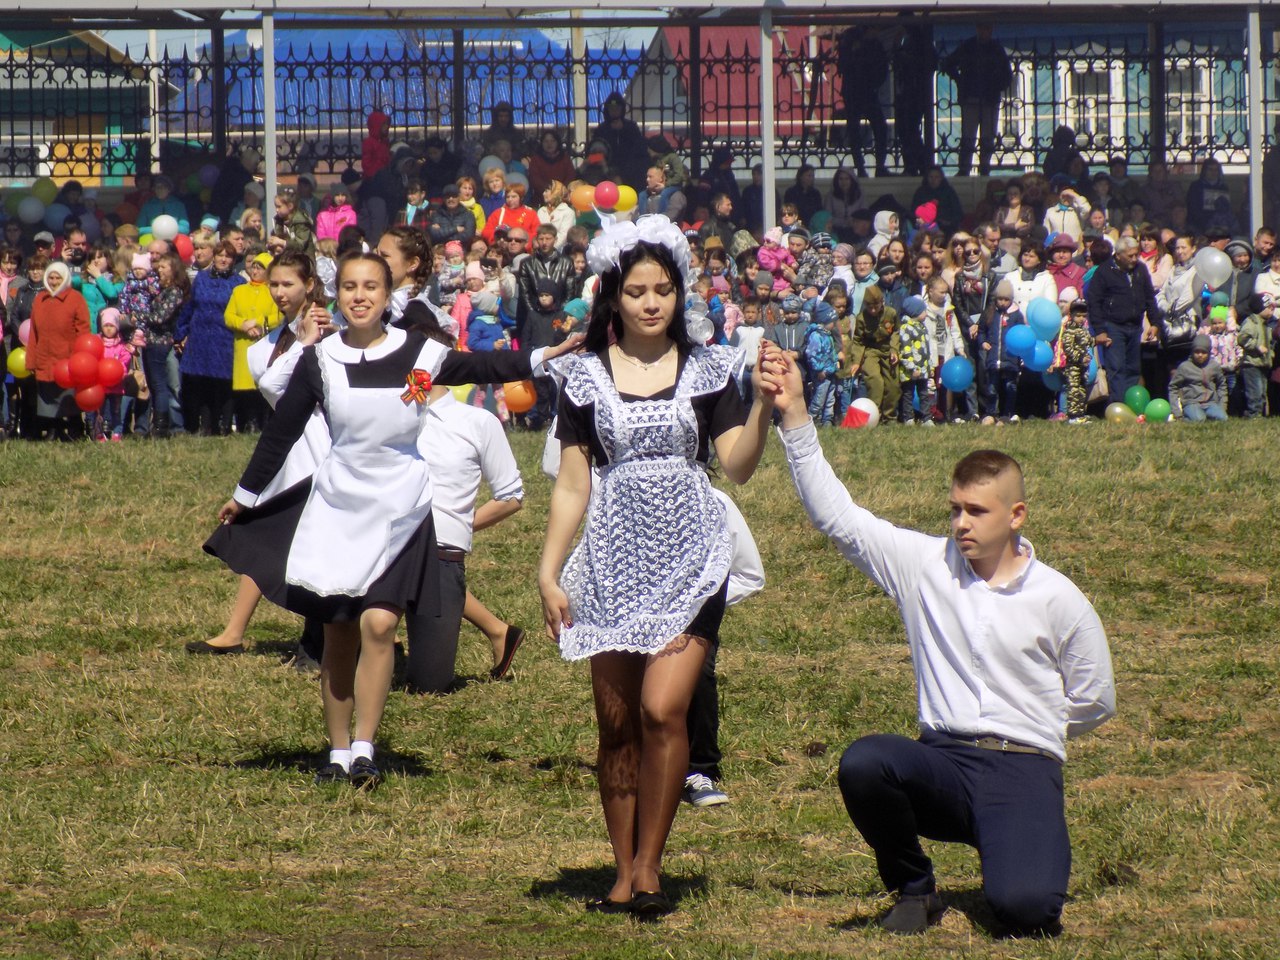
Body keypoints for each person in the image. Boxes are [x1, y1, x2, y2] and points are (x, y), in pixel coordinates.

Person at [206, 251, 580, 787]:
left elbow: (483, 366)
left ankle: (364, 748)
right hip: (338, 507)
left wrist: (545, 352)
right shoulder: (320, 359)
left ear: (387, 297)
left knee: (379, 624)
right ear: (337, 295)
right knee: (339, 633)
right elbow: (281, 431)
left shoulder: (420, 351)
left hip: (402, 508)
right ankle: (336, 754)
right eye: (351, 287)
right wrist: (245, 496)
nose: (360, 296)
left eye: (371, 288)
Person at [770, 363, 1115, 936]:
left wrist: (1037, 731)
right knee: (865, 762)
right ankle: (914, 887)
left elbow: (1096, 698)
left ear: (1015, 515)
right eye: (955, 508)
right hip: (944, 763)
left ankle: (1022, 837)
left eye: (976, 511)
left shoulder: (1060, 598)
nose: (961, 523)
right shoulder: (923, 566)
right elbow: (838, 518)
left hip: (1023, 769)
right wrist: (797, 416)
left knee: (1024, 912)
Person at [538, 216, 778, 917]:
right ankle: (621, 869)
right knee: (615, 726)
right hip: (611, 560)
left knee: (661, 709)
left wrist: (762, 406)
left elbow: (736, 466)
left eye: (664, 290)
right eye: (638, 290)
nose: (651, 302)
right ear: (613, 296)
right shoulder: (580, 378)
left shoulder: (709, 371)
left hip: (693, 556)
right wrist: (550, 573)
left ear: (680, 296)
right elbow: (573, 484)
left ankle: (650, 864)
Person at [189, 253, 335, 657]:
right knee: (263, 534)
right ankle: (237, 632)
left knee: (310, 545)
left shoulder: (330, 332)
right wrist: (299, 343)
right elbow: (274, 390)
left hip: (328, 454)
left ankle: (332, 640)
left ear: (309, 284)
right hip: (292, 453)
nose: (280, 292)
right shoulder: (271, 343)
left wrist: (308, 341)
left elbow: (276, 386)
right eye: (274, 284)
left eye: (288, 283)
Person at [1086, 237, 1161, 407]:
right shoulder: (1104, 272)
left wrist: (1155, 323)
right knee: (1117, 368)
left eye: (1136, 255)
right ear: (1118, 255)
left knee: (1133, 368)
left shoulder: (1140, 269)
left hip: (1135, 326)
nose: (1134, 259)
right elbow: (1094, 302)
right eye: (1130, 256)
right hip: (1113, 327)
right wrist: (1099, 330)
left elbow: (1149, 297)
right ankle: (1118, 405)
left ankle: (1132, 405)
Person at [178, 240, 242, 435]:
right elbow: (191, 305)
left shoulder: (238, 283)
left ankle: (223, 427)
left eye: (228, 256)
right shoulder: (202, 278)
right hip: (200, 337)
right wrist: (181, 331)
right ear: (214, 257)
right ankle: (205, 426)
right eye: (220, 255)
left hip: (225, 338)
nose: (223, 259)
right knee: (202, 382)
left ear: (233, 260)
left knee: (223, 384)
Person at [25, 261, 90, 440]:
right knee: (47, 396)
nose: (54, 282)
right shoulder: (40, 299)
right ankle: (54, 430)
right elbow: (33, 333)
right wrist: (31, 360)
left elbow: (83, 330)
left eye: (58, 278)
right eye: (51, 278)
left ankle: (76, 430)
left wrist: (81, 358)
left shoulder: (76, 299)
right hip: (44, 355)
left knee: (68, 396)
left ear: (65, 278)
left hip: (67, 356)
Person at [940, 24, 1012, 176]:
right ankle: (964, 168)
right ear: (977, 29)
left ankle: (984, 167)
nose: (984, 32)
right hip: (971, 98)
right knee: (968, 136)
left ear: (991, 30)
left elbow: (1007, 76)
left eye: (986, 28)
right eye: (981, 28)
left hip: (989, 99)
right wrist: (961, 80)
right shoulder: (969, 46)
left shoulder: (995, 49)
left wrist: (995, 85)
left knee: (987, 137)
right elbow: (948, 63)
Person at [224, 252, 281, 434]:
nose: (255, 270)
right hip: (243, 343)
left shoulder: (273, 292)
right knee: (244, 389)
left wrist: (258, 322)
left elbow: (278, 316)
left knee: (261, 386)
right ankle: (245, 424)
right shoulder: (239, 291)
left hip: (264, 342)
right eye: (254, 266)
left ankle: (262, 423)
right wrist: (243, 325)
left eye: (260, 267)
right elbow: (229, 315)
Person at [836, 27, 890, 178]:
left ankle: (876, 166)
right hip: (858, 92)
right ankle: (864, 167)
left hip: (862, 92)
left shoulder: (869, 44)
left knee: (875, 128)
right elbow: (844, 65)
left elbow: (881, 68)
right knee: (858, 130)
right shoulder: (851, 43)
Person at [1169, 334, 1227, 421]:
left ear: (1209, 352)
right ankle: (1184, 419)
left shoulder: (1214, 366)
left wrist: (1222, 405)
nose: (1200, 355)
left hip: (1210, 403)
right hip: (1191, 403)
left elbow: (1222, 385)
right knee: (1199, 419)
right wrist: (1176, 411)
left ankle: (1205, 417)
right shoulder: (1185, 367)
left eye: (1204, 352)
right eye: (1197, 352)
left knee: (1223, 418)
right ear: (1192, 352)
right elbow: (1173, 387)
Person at [1237, 292, 1273, 418]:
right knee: (1254, 391)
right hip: (1251, 363)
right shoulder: (1251, 322)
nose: (1271, 311)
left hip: (1262, 363)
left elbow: (1269, 343)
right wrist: (1257, 346)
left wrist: (1271, 354)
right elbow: (1242, 339)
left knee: (1262, 391)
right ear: (1259, 308)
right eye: (1269, 307)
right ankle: (1253, 414)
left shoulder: (1266, 324)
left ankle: (1259, 414)